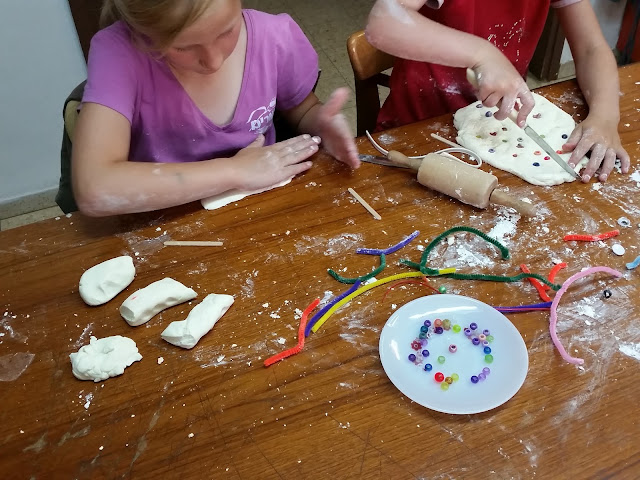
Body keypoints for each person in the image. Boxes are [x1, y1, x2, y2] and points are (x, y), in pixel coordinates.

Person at [71, 0, 359, 217]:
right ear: (143, 30)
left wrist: (321, 125)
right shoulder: (119, 54)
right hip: (166, 223)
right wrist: (234, 171)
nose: (213, 61)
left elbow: (303, 109)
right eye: (184, 47)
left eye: (227, 31)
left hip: (261, 212)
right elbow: (95, 188)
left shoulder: (272, 36)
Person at [366, 0, 630, 183]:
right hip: (419, 130)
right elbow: (384, 23)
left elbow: (591, 48)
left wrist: (605, 116)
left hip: (501, 121)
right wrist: (482, 53)